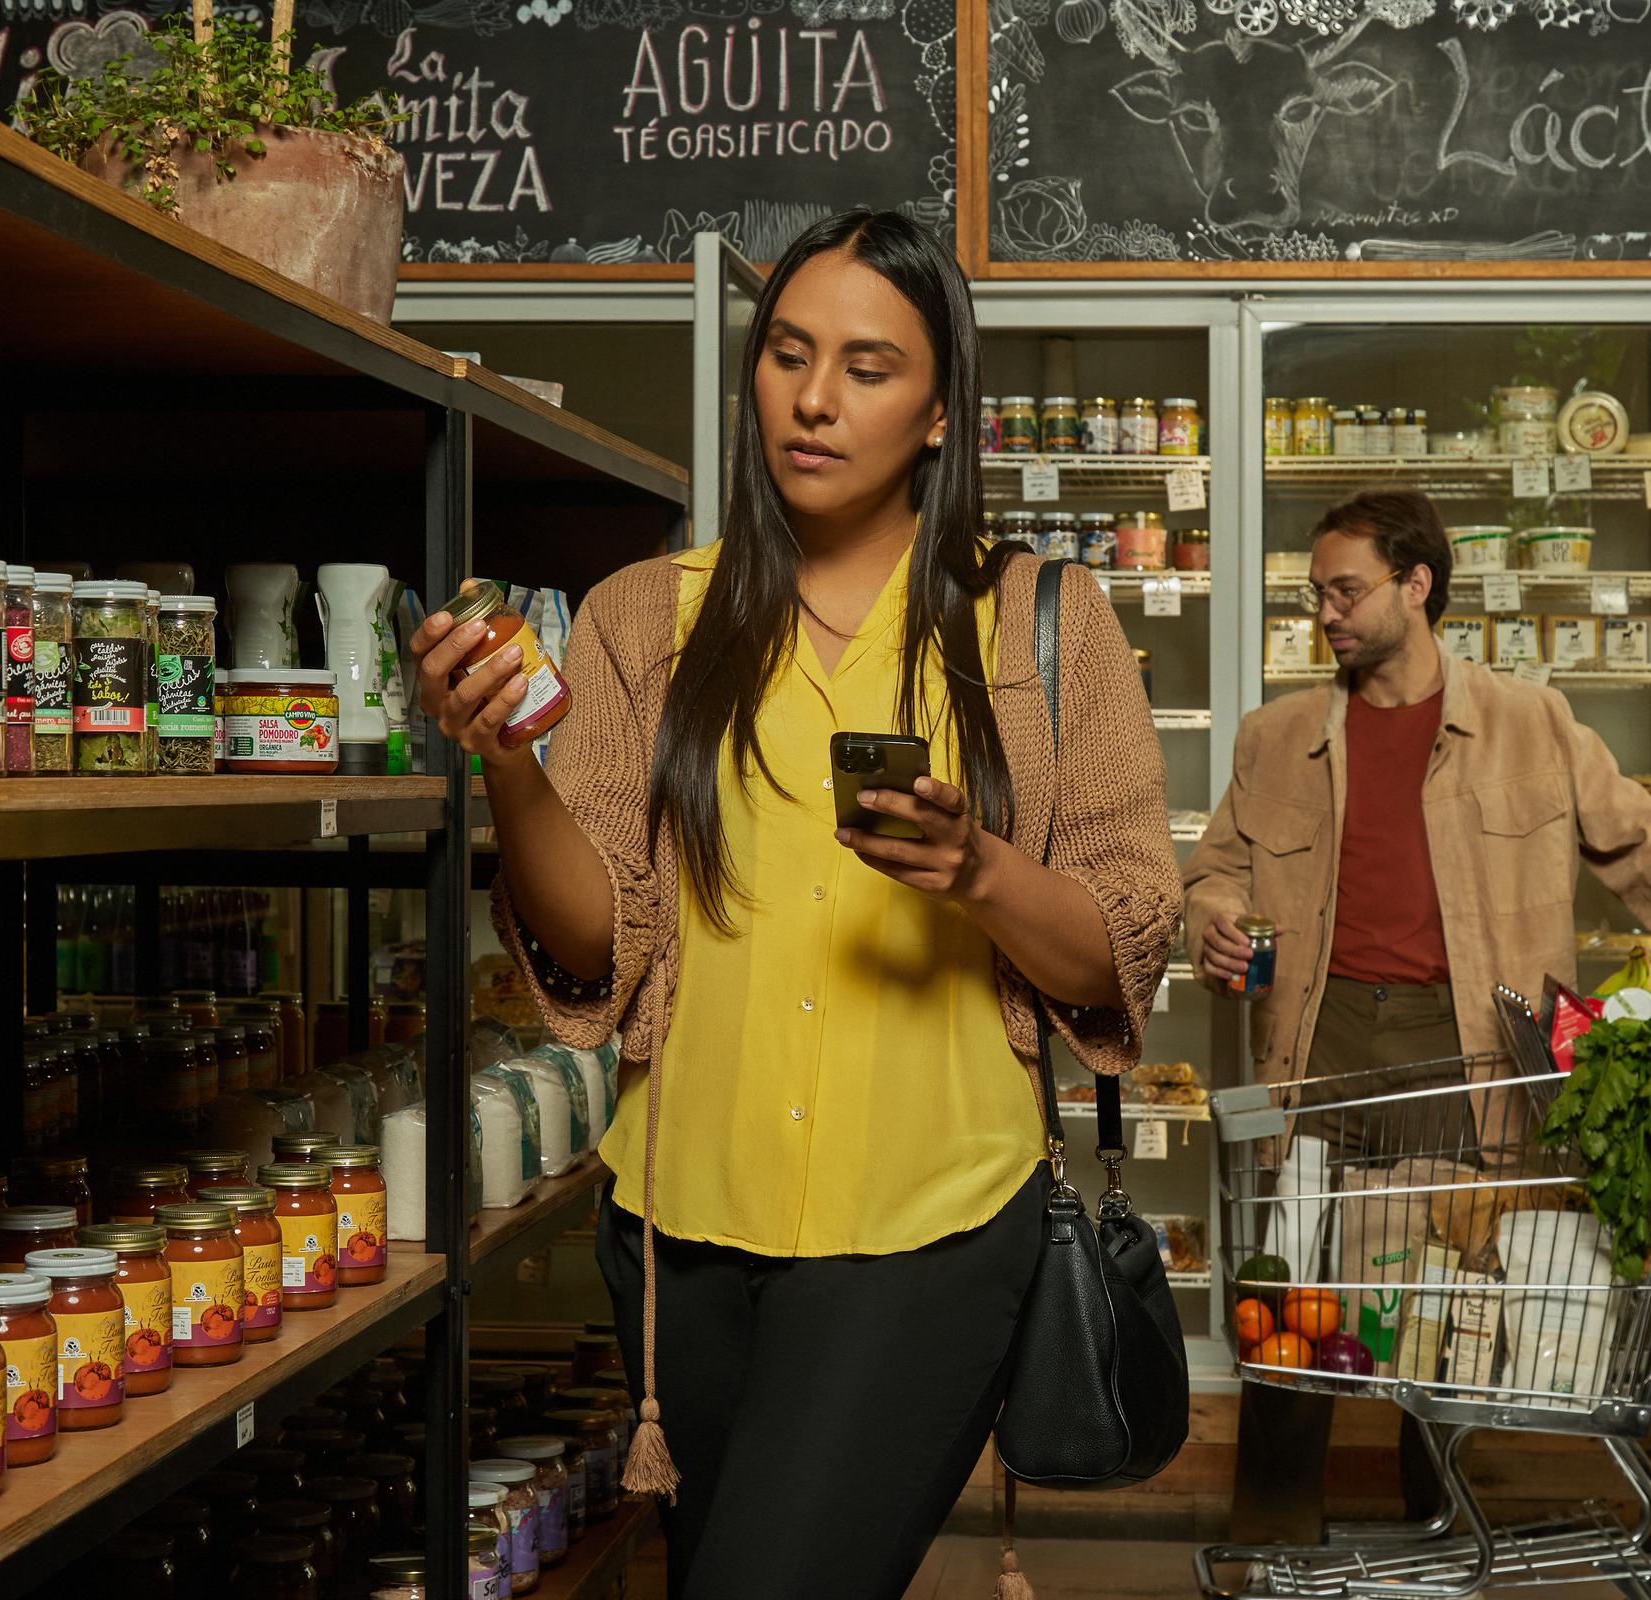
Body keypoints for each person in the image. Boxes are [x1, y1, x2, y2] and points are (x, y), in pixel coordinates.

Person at [412, 209, 1181, 1599]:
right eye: (788, 353)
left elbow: (1125, 946)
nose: (815, 398)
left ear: (941, 410)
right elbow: (596, 939)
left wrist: (980, 870)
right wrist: (508, 766)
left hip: (929, 1234)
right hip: (678, 1235)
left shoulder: (1038, 625)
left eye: (870, 366)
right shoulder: (645, 618)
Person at [1181, 487, 1651, 1542]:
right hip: (1322, 1039)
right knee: (1293, 1301)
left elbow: (1644, 849)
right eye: (1317, 594)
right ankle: (1270, 1543)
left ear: (1417, 584)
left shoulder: (1532, 724)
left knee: (1447, 1307)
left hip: (1468, 1048)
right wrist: (1211, 916)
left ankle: (1438, 1535)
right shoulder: (1278, 736)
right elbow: (1214, 870)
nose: (1327, 614)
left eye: (1347, 591)